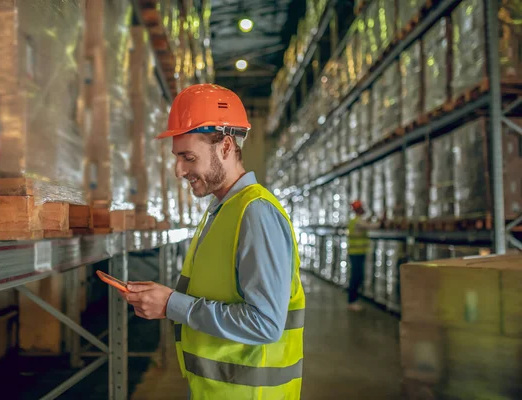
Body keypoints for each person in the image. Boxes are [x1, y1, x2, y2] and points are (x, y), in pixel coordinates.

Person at [118, 84, 305, 399]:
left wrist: (171, 304)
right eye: (177, 158)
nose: (179, 170)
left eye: (188, 157)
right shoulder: (222, 210)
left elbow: (265, 324)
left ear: (226, 147)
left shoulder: (255, 213)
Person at [346, 200, 372, 311]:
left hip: (357, 253)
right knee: (356, 277)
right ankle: (352, 301)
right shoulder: (357, 221)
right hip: (356, 254)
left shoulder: (355, 221)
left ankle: (354, 300)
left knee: (358, 276)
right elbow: (372, 226)